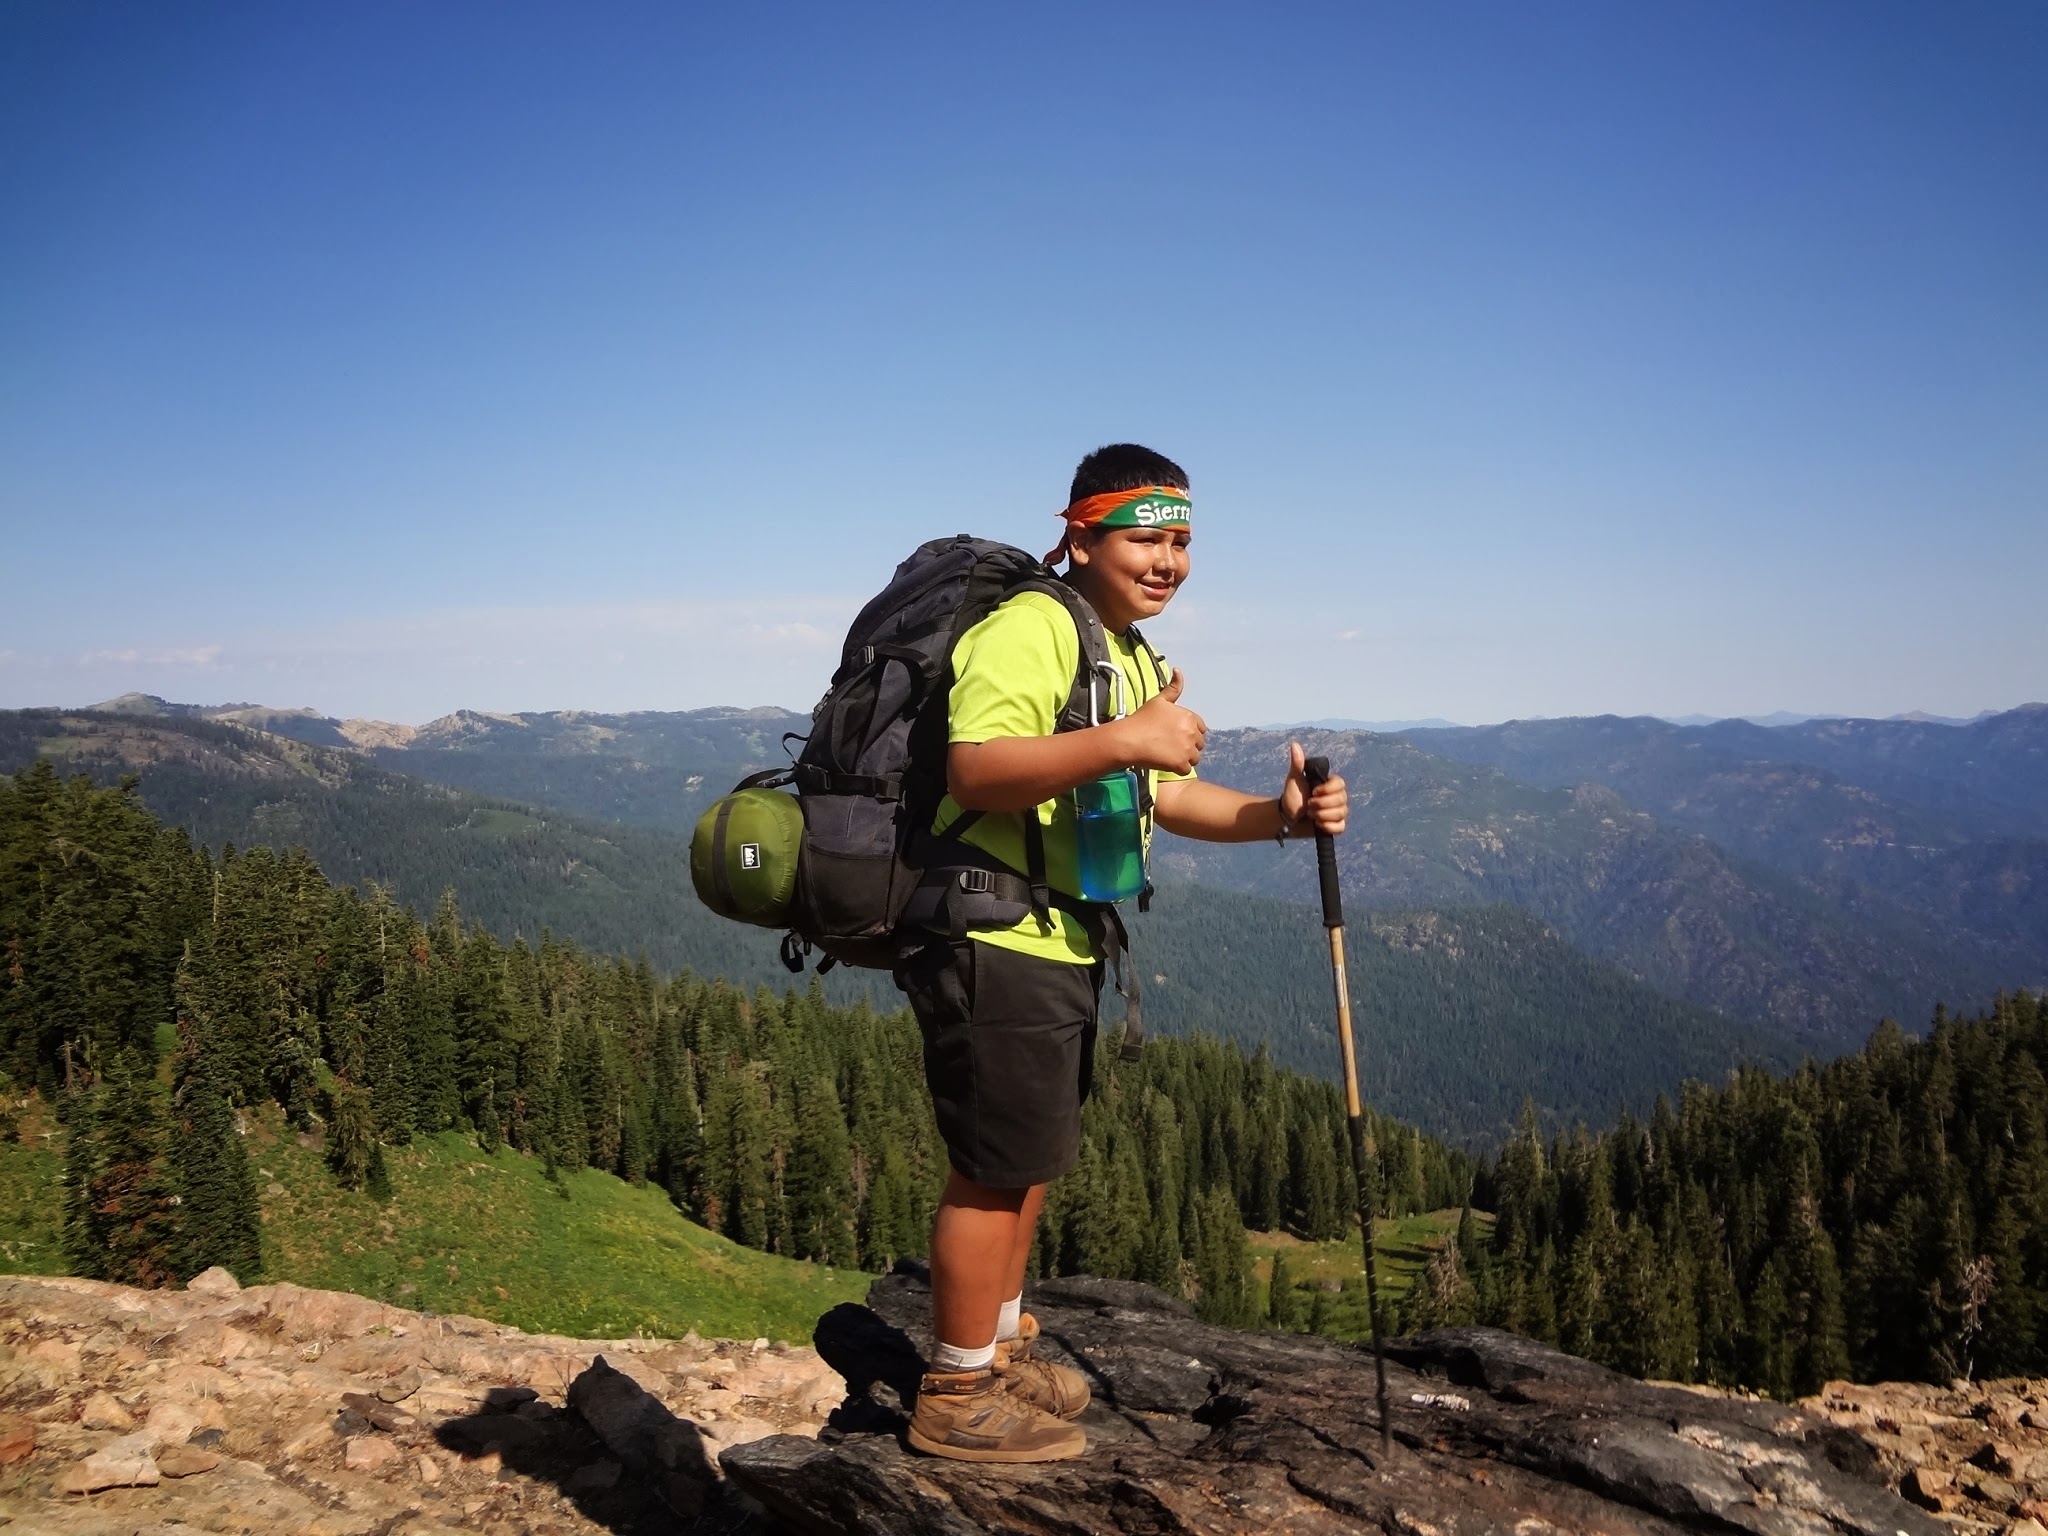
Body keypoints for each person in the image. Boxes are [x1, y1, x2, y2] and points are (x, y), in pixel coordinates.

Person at [897, 442, 1351, 1463]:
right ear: (1081, 533)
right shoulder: (1032, 628)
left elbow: (1163, 796)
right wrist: (1122, 741)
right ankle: (955, 1394)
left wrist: (1275, 818)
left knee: (1028, 1162)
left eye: (1181, 539)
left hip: (1059, 934)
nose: (1167, 560)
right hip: (991, 930)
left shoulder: (1127, 652)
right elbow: (975, 771)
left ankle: (998, 1349)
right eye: (1145, 536)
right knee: (988, 1170)